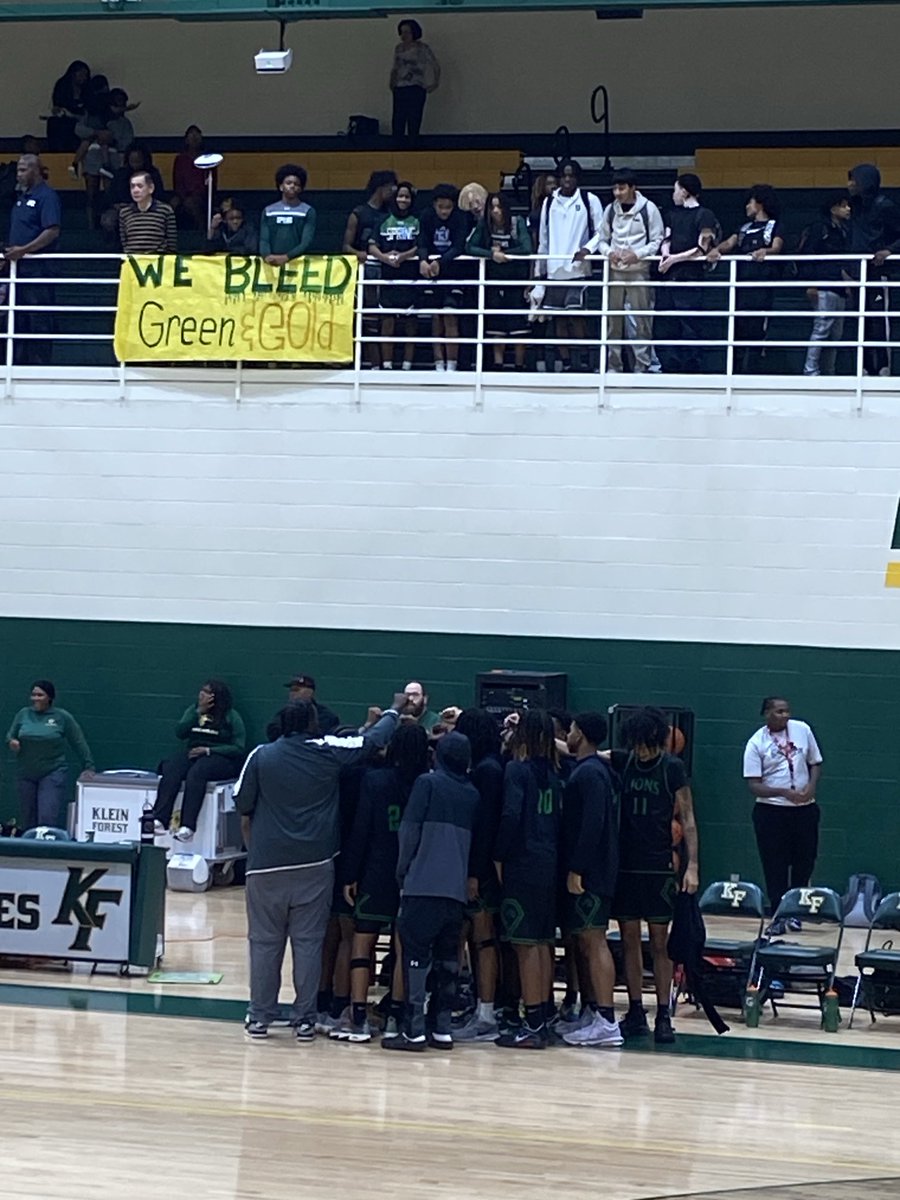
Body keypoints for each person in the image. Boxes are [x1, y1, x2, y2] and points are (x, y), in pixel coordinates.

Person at [235, 693, 409, 1041]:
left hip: (265, 866)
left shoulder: (260, 755)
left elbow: (242, 804)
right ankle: (304, 1019)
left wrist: (256, 850)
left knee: (264, 944)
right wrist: (395, 709)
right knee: (309, 943)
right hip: (314, 865)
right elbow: (370, 741)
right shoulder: (326, 751)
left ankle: (260, 1016)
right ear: (313, 723)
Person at [333, 723, 429, 1042]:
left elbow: (361, 831)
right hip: (413, 875)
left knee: (363, 942)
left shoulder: (374, 780)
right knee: (403, 947)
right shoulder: (426, 783)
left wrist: (350, 874)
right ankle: (395, 1016)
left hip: (375, 872)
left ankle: (358, 1016)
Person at [610, 706, 699, 1045]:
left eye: (646, 744)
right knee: (629, 941)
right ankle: (636, 1011)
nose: (641, 750)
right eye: (636, 744)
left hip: (659, 866)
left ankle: (664, 1013)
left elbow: (689, 820)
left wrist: (692, 866)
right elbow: (583, 750)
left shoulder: (672, 768)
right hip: (627, 866)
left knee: (660, 944)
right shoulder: (624, 760)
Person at [387, 730, 480, 1052]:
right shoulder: (471, 793)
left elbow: (409, 832)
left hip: (422, 885)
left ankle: (412, 1031)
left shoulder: (426, 784)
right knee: (447, 962)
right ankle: (442, 1028)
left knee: (415, 958)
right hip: (454, 891)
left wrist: (402, 872)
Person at [493, 709, 564, 1049]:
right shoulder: (555, 772)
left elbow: (510, 815)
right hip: (549, 863)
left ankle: (533, 1022)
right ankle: (543, 1017)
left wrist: (499, 855)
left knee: (524, 945)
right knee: (541, 942)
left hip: (522, 862)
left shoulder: (517, 771)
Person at [559, 712, 622, 1048]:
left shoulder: (591, 774)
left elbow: (592, 825)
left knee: (595, 940)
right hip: (594, 869)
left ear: (579, 734)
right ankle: (594, 1012)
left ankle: (607, 1020)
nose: (567, 734)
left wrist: (577, 868)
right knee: (585, 942)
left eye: (570, 729)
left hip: (593, 872)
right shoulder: (591, 769)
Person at [742, 696, 823, 936]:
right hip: (772, 811)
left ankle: (795, 912)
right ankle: (778, 914)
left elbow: (815, 763)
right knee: (775, 864)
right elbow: (754, 785)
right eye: (778, 711)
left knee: (805, 861)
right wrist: (782, 792)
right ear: (766, 713)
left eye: (787, 711)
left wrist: (811, 786)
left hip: (804, 809)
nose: (784, 715)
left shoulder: (802, 730)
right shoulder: (756, 743)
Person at [451, 708, 505, 1042]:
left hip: (482, 868)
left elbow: (484, 827)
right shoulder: (490, 766)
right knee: (476, 938)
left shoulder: (487, 771)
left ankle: (486, 1014)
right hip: (482, 866)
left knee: (483, 940)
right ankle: (482, 1007)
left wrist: (473, 872)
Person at [151, 680, 246, 841]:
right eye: (201, 691)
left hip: (219, 757)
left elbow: (238, 747)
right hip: (194, 752)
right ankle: (160, 818)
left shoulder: (231, 716)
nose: (201, 694)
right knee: (172, 768)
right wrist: (198, 712)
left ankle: (188, 826)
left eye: (207, 692)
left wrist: (210, 750)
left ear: (215, 697)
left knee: (197, 773)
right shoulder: (193, 710)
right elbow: (180, 732)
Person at [534, 160, 604, 372]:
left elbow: (602, 232)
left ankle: (582, 360)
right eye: (563, 175)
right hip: (554, 271)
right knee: (559, 320)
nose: (567, 179)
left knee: (577, 316)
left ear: (577, 178)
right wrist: (539, 274)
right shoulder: (549, 203)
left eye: (571, 175)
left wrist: (587, 250)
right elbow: (543, 240)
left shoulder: (589, 200)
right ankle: (565, 363)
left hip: (578, 271)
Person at [708, 184, 784, 373]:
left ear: (760, 203)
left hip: (762, 288)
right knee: (738, 329)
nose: (747, 206)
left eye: (750, 202)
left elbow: (776, 247)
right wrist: (716, 250)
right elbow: (729, 243)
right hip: (741, 288)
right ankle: (735, 371)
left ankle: (754, 371)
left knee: (758, 329)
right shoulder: (744, 228)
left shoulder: (775, 226)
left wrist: (764, 252)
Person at [597, 168, 664, 373]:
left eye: (622, 188)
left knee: (642, 320)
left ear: (633, 188)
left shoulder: (649, 209)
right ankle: (613, 366)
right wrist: (609, 253)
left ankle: (641, 366)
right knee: (612, 321)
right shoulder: (610, 210)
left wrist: (638, 254)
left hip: (638, 272)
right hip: (615, 271)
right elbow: (601, 240)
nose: (618, 192)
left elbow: (657, 240)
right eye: (615, 188)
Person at [6, 680, 95, 831]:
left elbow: (78, 742)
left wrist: (89, 766)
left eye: (40, 695)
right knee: (28, 818)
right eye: (33, 695)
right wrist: (12, 742)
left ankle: (44, 851)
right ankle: (27, 852)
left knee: (46, 817)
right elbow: (10, 736)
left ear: (49, 697)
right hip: (26, 773)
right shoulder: (23, 714)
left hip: (52, 772)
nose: (35, 698)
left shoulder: (62, 717)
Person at [1, 154, 61, 366]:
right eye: (18, 170)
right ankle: (17, 365)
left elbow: (52, 230)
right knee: (16, 321)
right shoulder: (21, 198)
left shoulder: (47, 196)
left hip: (38, 272)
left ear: (36, 170)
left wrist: (24, 250)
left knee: (39, 321)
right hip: (17, 271)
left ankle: (40, 369)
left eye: (23, 170)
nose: (18, 174)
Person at [657, 173, 720, 373]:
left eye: (676, 190)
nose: (673, 194)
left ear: (684, 191)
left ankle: (692, 366)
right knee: (669, 323)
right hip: (670, 277)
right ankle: (670, 365)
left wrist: (674, 259)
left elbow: (701, 248)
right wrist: (665, 255)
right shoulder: (672, 214)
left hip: (690, 277)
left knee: (690, 323)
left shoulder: (705, 214)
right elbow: (666, 239)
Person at [468, 193, 532, 370]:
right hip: (494, 282)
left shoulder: (516, 222)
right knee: (496, 326)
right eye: (492, 207)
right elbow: (469, 247)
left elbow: (527, 248)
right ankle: (498, 365)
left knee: (519, 327)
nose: (496, 211)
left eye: (499, 207)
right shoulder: (484, 225)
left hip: (516, 281)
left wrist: (507, 255)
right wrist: (491, 255)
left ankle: (520, 366)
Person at [847, 164, 900, 376]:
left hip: (879, 273)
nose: (850, 184)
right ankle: (865, 367)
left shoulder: (885, 205)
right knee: (862, 320)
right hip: (858, 272)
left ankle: (883, 367)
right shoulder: (855, 207)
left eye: (854, 180)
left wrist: (888, 250)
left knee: (879, 320)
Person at [343, 170, 398, 369]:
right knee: (369, 319)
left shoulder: (390, 214)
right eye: (391, 187)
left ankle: (387, 364)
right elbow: (345, 246)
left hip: (387, 270)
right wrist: (359, 253)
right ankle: (374, 364)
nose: (393, 192)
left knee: (387, 317)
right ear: (380, 188)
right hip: (366, 271)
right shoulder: (359, 213)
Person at [368, 180, 420, 370]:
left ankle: (407, 365)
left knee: (410, 324)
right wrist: (384, 258)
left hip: (410, 277)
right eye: (400, 196)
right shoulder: (382, 221)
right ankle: (387, 365)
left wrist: (404, 256)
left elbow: (420, 246)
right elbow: (372, 246)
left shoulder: (416, 221)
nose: (403, 200)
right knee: (387, 322)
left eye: (406, 196)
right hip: (388, 276)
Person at [799, 194, 852, 377]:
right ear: (833, 209)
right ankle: (810, 370)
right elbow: (807, 256)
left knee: (835, 335)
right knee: (821, 328)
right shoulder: (820, 228)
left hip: (839, 288)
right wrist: (811, 285)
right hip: (823, 285)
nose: (848, 209)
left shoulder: (844, 231)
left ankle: (829, 371)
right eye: (843, 206)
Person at [418, 183, 468, 371]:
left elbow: (459, 246)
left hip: (453, 272)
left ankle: (452, 364)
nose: (444, 211)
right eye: (441, 207)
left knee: (450, 315)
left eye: (448, 207)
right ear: (434, 205)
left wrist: (440, 261)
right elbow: (422, 240)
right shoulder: (426, 216)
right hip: (432, 273)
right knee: (436, 317)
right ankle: (438, 362)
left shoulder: (460, 218)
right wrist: (423, 260)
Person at [389, 20, 440, 142]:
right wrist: (392, 83)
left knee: (414, 119)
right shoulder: (399, 48)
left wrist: (435, 82)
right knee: (398, 120)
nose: (404, 35)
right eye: (402, 32)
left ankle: (413, 146)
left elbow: (435, 65)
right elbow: (395, 67)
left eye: (407, 32)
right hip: (400, 87)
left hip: (416, 87)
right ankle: (397, 147)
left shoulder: (422, 48)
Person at [260, 164, 316, 267]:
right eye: (288, 183)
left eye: (297, 184)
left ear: (300, 188)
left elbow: (306, 242)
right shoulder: (268, 211)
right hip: (271, 264)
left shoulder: (308, 211)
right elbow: (264, 239)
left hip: (298, 264)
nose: (292, 186)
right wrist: (266, 256)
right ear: (281, 186)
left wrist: (287, 257)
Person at [118, 171, 177, 255]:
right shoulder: (124, 213)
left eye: (140, 186)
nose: (135, 190)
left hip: (158, 261)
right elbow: (124, 242)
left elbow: (172, 244)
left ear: (151, 188)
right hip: (133, 261)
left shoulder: (165, 210)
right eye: (132, 187)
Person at [172, 125, 213, 230]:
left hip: (201, 195)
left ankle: (202, 230)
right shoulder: (180, 159)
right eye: (191, 135)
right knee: (172, 204)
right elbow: (177, 181)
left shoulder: (207, 158)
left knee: (191, 203)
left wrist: (197, 194)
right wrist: (183, 195)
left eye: (197, 135)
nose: (194, 138)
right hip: (182, 194)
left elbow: (210, 181)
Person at [46, 60, 90, 152]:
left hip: (84, 119)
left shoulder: (88, 89)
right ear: (73, 74)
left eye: (85, 75)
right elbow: (58, 105)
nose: (84, 78)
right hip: (66, 120)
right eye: (81, 74)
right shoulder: (62, 86)